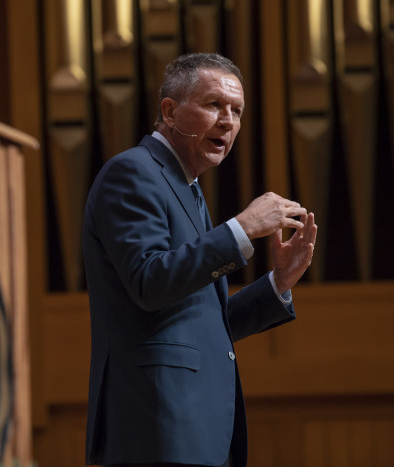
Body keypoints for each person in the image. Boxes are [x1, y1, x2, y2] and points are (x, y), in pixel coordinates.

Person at [82, 53, 318, 467]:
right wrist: (241, 230)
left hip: (193, 429)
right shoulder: (133, 173)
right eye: (213, 105)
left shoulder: (186, 188)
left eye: (237, 111)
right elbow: (149, 281)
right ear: (170, 111)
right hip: (158, 427)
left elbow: (200, 320)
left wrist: (278, 284)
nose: (228, 121)